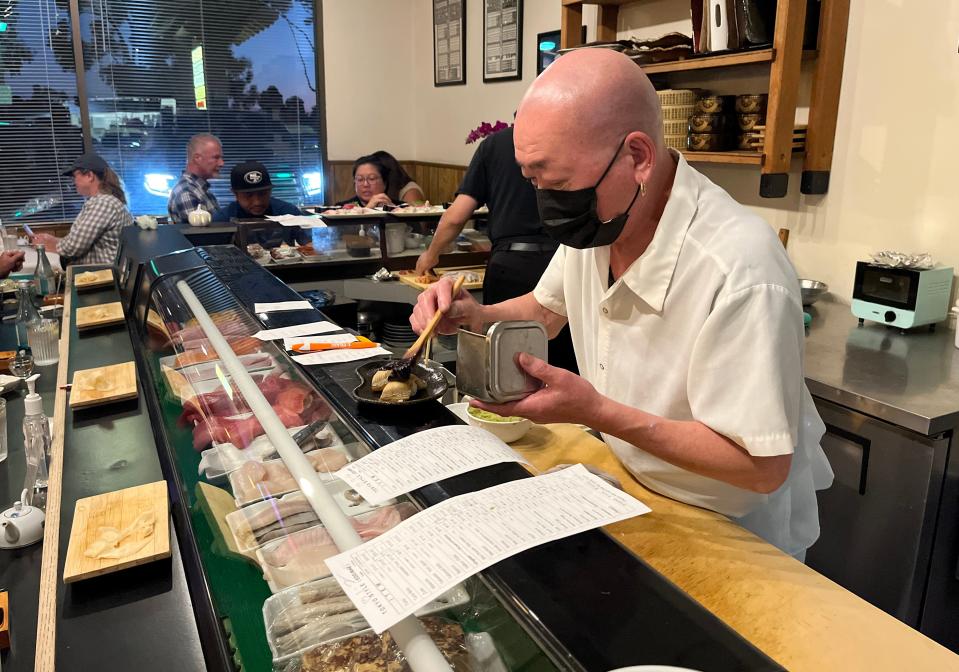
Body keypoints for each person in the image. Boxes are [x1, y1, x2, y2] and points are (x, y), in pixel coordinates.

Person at [410, 49, 833, 559]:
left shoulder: (740, 268)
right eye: (534, 180)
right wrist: (473, 315)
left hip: (730, 529)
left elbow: (760, 466)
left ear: (637, 157)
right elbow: (546, 311)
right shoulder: (605, 219)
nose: (546, 201)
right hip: (634, 491)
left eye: (558, 182)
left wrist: (596, 410)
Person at [415, 126, 577, 372]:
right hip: (556, 256)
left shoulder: (494, 145)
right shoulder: (561, 139)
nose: (538, 185)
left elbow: (457, 215)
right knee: (560, 365)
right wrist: (478, 312)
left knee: (506, 365)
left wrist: (431, 254)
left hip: (511, 265)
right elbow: (544, 313)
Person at [32, 153, 133, 265]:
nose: (74, 182)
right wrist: (51, 240)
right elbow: (78, 240)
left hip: (103, 277)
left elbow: (72, 247)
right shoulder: (105, 201)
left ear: (89, 175)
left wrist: (48, 244)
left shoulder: (104, 203)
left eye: (75, 176)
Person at [213, 160, 309, 247]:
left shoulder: (288, 212)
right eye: (248, 195)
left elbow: (312, 244)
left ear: (270, 191)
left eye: (263, 194)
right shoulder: (222, 221)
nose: (257, 202)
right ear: (235, 194)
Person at [167, 133, 224, 223]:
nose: (221, 163)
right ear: (197, 158)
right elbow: (203, 235)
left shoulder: (201, 190)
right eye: (216, 158)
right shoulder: (186, 192)